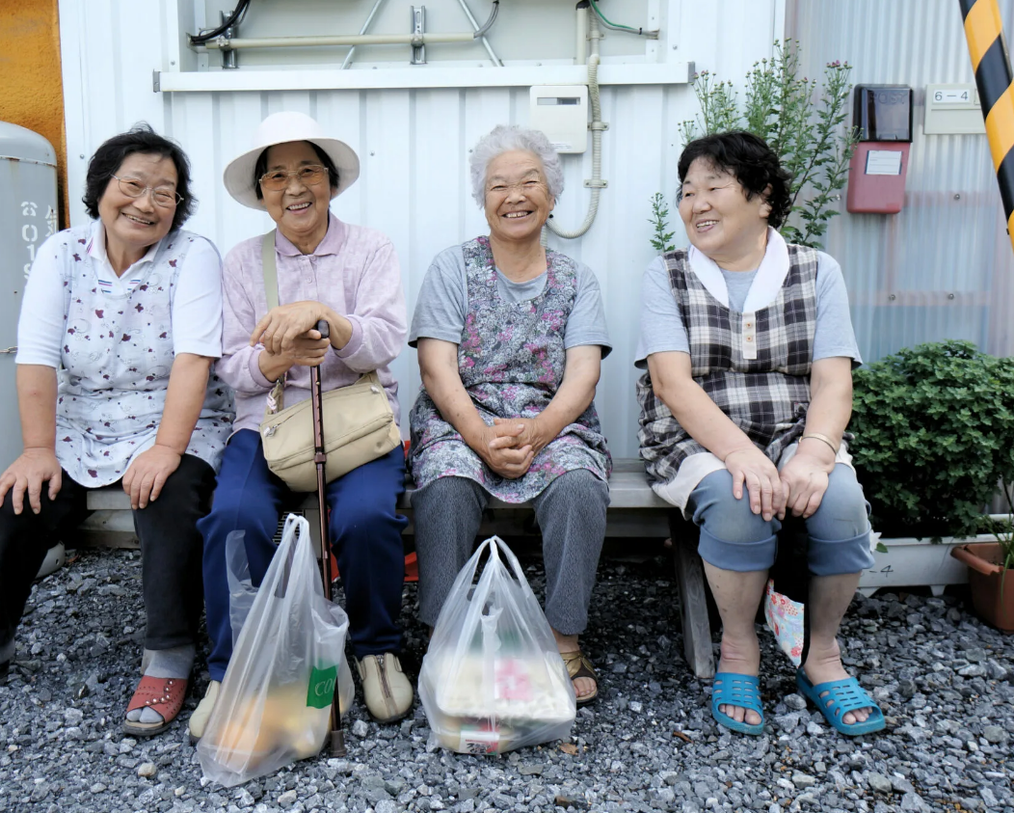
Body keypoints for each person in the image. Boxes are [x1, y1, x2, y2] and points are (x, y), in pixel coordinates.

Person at [0, 125, 234, 738]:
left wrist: (165, 448)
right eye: (133, 185)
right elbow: (35, 354)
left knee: (169, 493)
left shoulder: (195, 256)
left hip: (172, 420)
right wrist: (36, 449)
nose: (147, 202)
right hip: (81, 422)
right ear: (100, 188)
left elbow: (195, 359)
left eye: (166, 192)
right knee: (20, 496)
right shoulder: (62, 253)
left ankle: (168, 654)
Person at [636, 131, 884, 736]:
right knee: (737, 497)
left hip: (795, 434)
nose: (696, 203)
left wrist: (817, 454)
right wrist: (740, 454)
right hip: (694, 439)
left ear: (763, 198)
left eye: (714, 188)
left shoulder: (817, 271)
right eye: (687, 192)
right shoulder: (667, 275)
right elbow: (672, 383)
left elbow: (832, 383)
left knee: (842, 502)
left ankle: (821, 656)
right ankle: (739, 649)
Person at [189, 112, 410, 742]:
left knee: (367, 517)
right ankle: (236, 668)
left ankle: (375, 648)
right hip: (269, 422)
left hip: (357, 421)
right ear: (261, 193)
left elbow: (387, 339)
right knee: (233, 518)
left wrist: (326, 319)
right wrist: (278, 359)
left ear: (332, 182)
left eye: (308, 170)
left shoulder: (371, 248)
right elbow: (232, 367)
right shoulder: (241, 262)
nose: (294, 187)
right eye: (277, 175)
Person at [406, 124, 614, 706]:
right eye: (499, 185)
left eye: (530, 182)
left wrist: (539, 430)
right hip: (461, 419)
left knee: (578, 484)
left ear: (552, 195)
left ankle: (563, 637)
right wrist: (478, 435)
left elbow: (583, 374)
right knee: (444, 483)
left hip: (552, 423)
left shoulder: (577, 280)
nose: (514, 196)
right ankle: (446, 641)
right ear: (483, 198)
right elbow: (436, 369)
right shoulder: (454, 267)